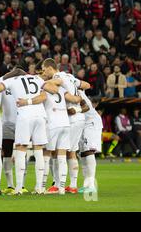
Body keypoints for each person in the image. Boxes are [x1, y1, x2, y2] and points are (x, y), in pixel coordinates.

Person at [41, 58, 91, 194]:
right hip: (78, 117)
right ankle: (72, 185)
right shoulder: (70, 76)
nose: (43, 72)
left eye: (44, 69)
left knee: (59, 152)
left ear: (50, 68)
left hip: (69, 117)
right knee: (71, 152)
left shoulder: (58, 76)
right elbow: (87, 85)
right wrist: (78, 93)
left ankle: (57, 185)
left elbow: (58, 82)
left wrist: (42, 81)